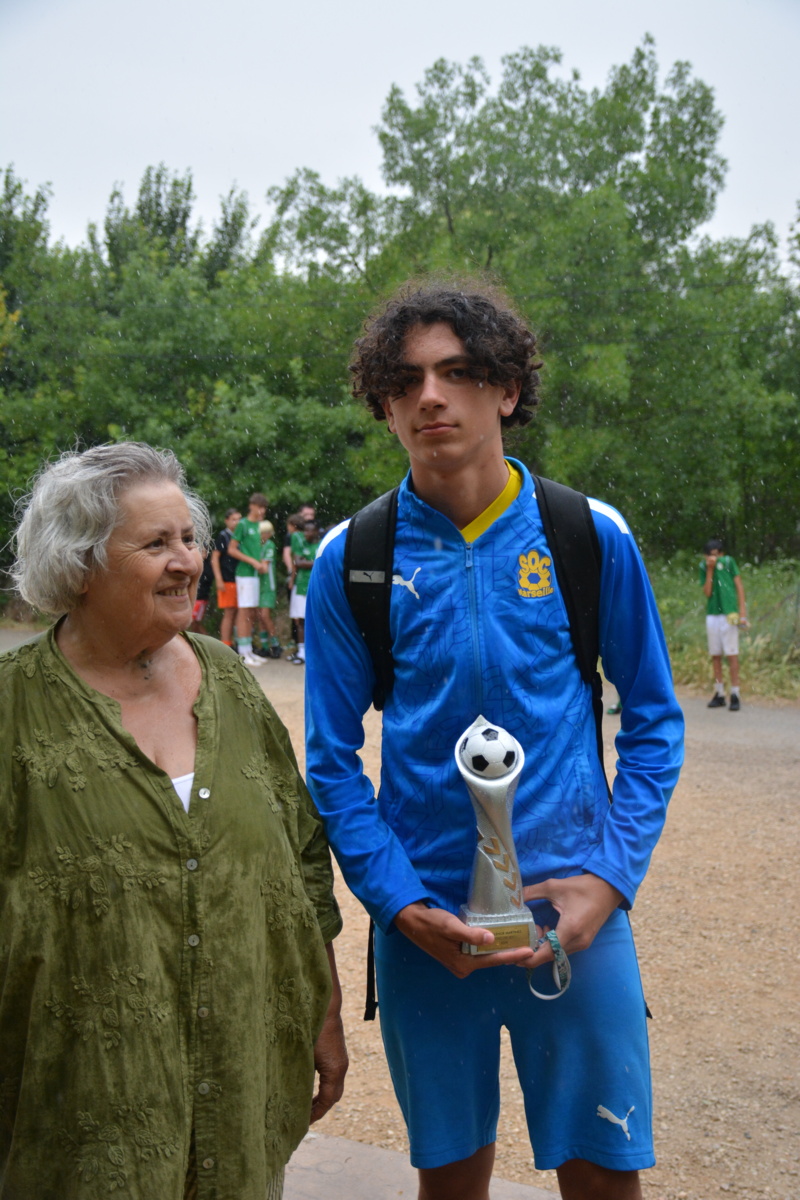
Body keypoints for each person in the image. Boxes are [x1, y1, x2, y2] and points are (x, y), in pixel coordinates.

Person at [304, 282, 684, 1200]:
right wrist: (398, 904)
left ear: (506, 389)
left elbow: (655, 720)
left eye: (458, 372)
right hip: (427, 930)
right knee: (449, 1183)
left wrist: (610, 878)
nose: (430, 396)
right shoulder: (353, 558)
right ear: (384, 405)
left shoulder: (587, 535)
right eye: (406, 381)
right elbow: (330, 763)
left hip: (575, 920)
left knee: (606, 1180)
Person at [1, 443, 347, 1200]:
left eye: (188, 538)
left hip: (239, 1092)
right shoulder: (13, 708)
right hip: (81, 1119)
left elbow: (300, 855)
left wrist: (325, 1010)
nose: (187, 561)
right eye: (155, 543)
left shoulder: (227, 678)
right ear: (80, 565)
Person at [699, 537, 748, 711]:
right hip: (713, 614)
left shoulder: (728, 562)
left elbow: (739, 586)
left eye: (716, 555)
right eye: (710, 555)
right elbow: (707, 592)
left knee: (732, 654)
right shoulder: (704, 566)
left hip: (729, 613)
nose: (714, 558)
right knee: (716, 654)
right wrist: (710, 570)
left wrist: (742, 612)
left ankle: (735, 693)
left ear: (722, 554)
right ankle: (719, 692)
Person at [229, 493, 270, 666]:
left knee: (251, 611)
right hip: (245, 573)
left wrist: (260, 563)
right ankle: (242, 652)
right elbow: (232, 549)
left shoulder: (259, 526)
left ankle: (248, 650)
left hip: (255, 575)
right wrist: (253, 561)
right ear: (251, 506)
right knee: (244, 611)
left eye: (264, 508)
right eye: (259, 507)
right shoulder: (243, 524)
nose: (262, 511)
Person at [288, 518, 320, 666]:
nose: (306, 533)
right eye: (305, 530)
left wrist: (307, 562)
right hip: (301, 586)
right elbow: (298, 562)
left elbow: (303, 562)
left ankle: (314, 652)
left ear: (316, 532)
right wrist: (316, 562)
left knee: (316, 620)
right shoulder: (301, 543)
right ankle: (301, 652)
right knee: (300, 620)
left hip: (316, 587)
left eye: (309, 530)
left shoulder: (321, 545)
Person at [211, 506, 241, 650]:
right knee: (229, 613)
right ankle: (225, 643)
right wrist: (219, 579)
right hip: (227, 579)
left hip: (239, 579)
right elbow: (215, 557)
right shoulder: (224, 536)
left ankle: (237, 641)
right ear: (227, 521)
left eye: (239, 519)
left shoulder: (240, 536)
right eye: (234, 519)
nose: (237, 522)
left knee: (239, 613)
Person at [256, 518, 282, 659]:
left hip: (268, 586)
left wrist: (254, 563)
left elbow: (264, 567)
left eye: (265, 532)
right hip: (258, 585)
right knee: (260, 617)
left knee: (265, 616)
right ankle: (264, 646)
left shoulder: (270, 545)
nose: (263, 535)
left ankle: (276, 645)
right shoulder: (256, 545)